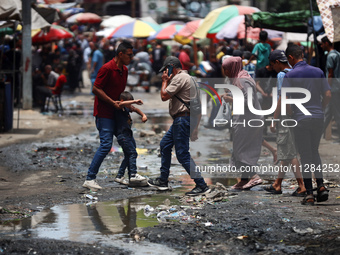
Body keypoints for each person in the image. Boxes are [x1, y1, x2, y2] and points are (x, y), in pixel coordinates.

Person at [147, 56, 211, 196]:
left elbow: (164, 96)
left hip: (182, 119)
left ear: (171, 67)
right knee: (165, 145)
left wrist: (164, 81)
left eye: (166, 70)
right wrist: (195, 128)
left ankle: (201, 185)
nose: (165, 73)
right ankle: (163, 180)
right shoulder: (190, 78)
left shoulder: (179, 78)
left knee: (182, 154)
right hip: (185, 119)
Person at [282, 44, 331, 205]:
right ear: (302, 54)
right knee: (314, 152)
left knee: (305, 155)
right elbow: (328, 94)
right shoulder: (318, 71)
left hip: (301, 119)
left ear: (290, 58)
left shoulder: (290, 76)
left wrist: (291, 114)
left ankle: (309, 193)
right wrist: (320, 109)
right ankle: (321, 185)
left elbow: (287, 101)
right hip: (317, 118)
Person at [83, 41, 134, 191]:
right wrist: (112, 102)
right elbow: (96, 88)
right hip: (104, 112)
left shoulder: (124, 70)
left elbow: (120, 93)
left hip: (117, 113)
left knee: (127, 144)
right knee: (106, 145)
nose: (131, 58)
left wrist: (126, 105)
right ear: (121, 54)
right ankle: (90, 178)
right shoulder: (106, 68)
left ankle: (122, 176)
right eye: (129, 55)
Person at [266, 50, 306, 196]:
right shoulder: (295, 71)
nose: (273, 68)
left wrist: (275, 119)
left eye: (272, 65)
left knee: (290, 152)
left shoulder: (282, 75)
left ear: (277, 62)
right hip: (298, 115)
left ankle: (302, 185)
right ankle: (277, 183)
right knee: (287, 150)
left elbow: (283, 98)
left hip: (286, 116)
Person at [221, 56, 264, 190]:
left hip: (249, 119)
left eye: (227, 69)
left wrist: (231, 99)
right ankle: (244, 180)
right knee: (243, 149)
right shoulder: (238, 79)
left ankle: (254, 176)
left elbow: (248, 101)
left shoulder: (243, 80)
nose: (225, 72)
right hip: (244, 118)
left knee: (241, 151)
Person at [113, 91, 148, 185]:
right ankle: (133, 174)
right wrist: (134, 101)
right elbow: (120, 104)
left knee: (128, 155)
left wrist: (143, 115)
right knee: (133, 153)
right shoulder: (119, 108)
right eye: (129, 102)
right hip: (122, 136)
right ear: (123, 101)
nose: (131, 105)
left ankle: (120, 176)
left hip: (129, 135)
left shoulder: (127, 109)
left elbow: (136, 109)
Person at [320, 36, 340, 142]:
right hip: (337, 87)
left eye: (322, 44)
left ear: (327, 43)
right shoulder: (337, 54)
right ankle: (318, 133)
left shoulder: (330, 56)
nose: (321, 46)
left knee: (336, 113)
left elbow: (330, 74)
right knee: (328, 112)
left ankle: (317, 134)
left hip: (333, 88)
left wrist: (327, 89)